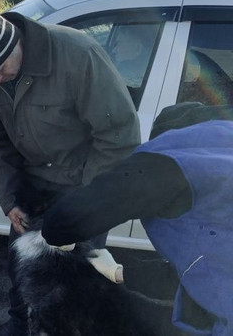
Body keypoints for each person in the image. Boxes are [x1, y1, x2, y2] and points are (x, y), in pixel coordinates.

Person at [0, 7, 141, 335]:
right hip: (31, 189)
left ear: (15, 45)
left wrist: (85, 205)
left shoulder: (78, 56)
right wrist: (10, 200)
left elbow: (119, 138)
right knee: (24, 273)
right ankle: (19, 325)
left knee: (73, 286)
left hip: (83, 184)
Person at [42, 102, 233, 336]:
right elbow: (202, 270)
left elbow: (63, 222)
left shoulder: (169, 161)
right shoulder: (223, 157)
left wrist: (57, 233)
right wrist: (118, 272)